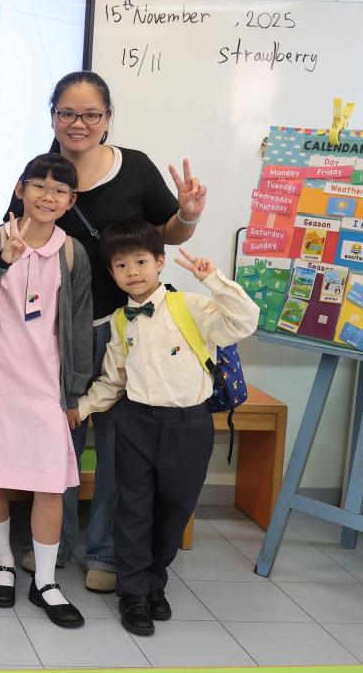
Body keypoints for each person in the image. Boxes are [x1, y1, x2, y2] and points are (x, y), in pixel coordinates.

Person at [0, 70, 207, 593]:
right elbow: (14, 239)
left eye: (90, 114)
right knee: (60, 443)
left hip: (122, 329)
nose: (78, 123)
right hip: (54, 337)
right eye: (67, 113)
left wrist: (188, 216)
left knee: (122, 447)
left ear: (107, 118)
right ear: (53, 115)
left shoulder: (135, 168)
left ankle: (105, 552)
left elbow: (166, 233)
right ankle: (55, 546)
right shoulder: (43, 172)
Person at [71, 219, 257, 636]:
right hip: (136, 422)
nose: (132, 272)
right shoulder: (121, 320)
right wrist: (80, 409)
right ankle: (133, 592)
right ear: (112, 274)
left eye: (141, 261)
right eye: (121, 265)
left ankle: (155, 580)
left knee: (174, 510)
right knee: (133, 508)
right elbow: (113, 380)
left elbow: (245, 321)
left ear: (160, 262)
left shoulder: (190, 306)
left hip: (189, 425)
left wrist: (213, 279)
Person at [0, 154, 92, 628]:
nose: (48, 196)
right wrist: (1, 262)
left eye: (59, 190)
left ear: (71, 201)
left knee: (50, 483)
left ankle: (46, 581)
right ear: (20, 188)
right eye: (39, 185)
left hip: (46, 386)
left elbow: (78, 326)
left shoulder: (72, 253)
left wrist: (73, 395)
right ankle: (3, 564)